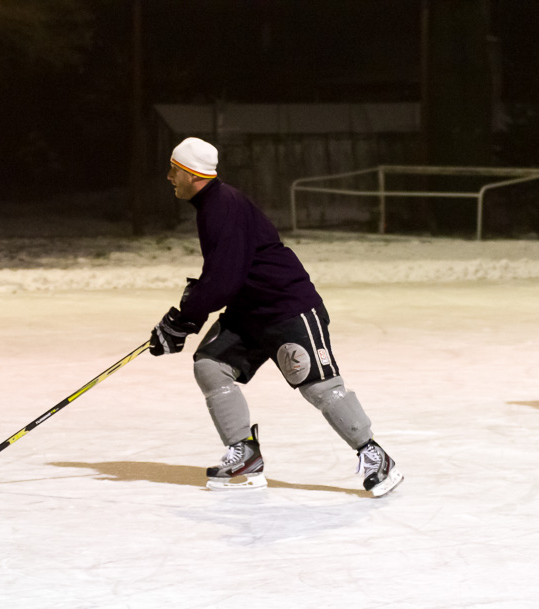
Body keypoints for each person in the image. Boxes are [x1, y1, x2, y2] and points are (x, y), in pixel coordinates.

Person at [147, 136, 403, 497]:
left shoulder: (223, 206)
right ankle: (245, 455)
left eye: (174, 170)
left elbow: (223, 278)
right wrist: (185, 317)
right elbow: (222, 274)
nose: (169, 177)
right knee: (210, 364)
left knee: (318, 386)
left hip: (287, 308)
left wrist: (183, 319)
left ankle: (376, 456)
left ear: (190, 173)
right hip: (250, 312)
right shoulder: (212, 205)